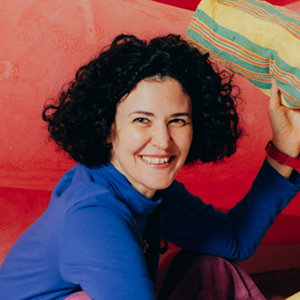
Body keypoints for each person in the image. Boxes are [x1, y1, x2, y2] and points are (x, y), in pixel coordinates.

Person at [0, 34, 300, 300]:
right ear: (106, 127)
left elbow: (234, 240)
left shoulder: (150, 190)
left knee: (211, 269)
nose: (163, 141)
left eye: (178, 120)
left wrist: (285, 146)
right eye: (142, 120)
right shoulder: (93, 216)